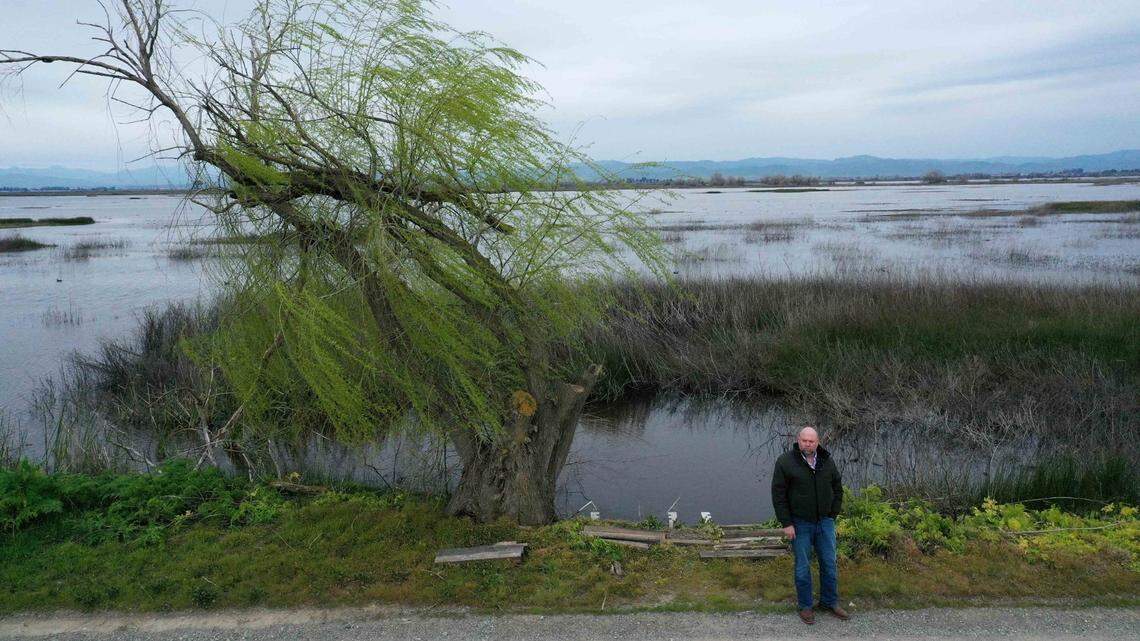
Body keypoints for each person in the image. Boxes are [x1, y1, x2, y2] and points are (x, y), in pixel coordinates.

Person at [770, 426, 850, 625]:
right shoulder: (786, 462)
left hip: (824, 523)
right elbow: (778, 495)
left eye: (811, 441)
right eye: (804, 440)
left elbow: (837, 488)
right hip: (800, 523)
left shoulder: (826, 460)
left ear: (818, 442)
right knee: (803, 567)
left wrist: (832, 514)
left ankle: (829, 602)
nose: (808, 444)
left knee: (829, 564)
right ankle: (806, 606)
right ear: (798, 440)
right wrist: (787, 523)